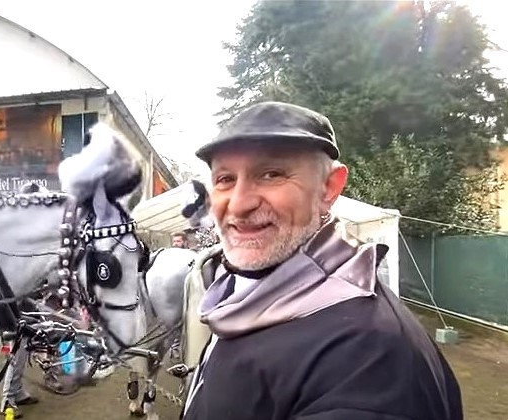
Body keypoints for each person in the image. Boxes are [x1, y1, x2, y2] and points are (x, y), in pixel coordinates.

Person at [181, 102, 462, 420]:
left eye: (271, 174)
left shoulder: (369, 362)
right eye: (225, 179)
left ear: (329, 187)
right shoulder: (246, 296)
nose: (240, 203)